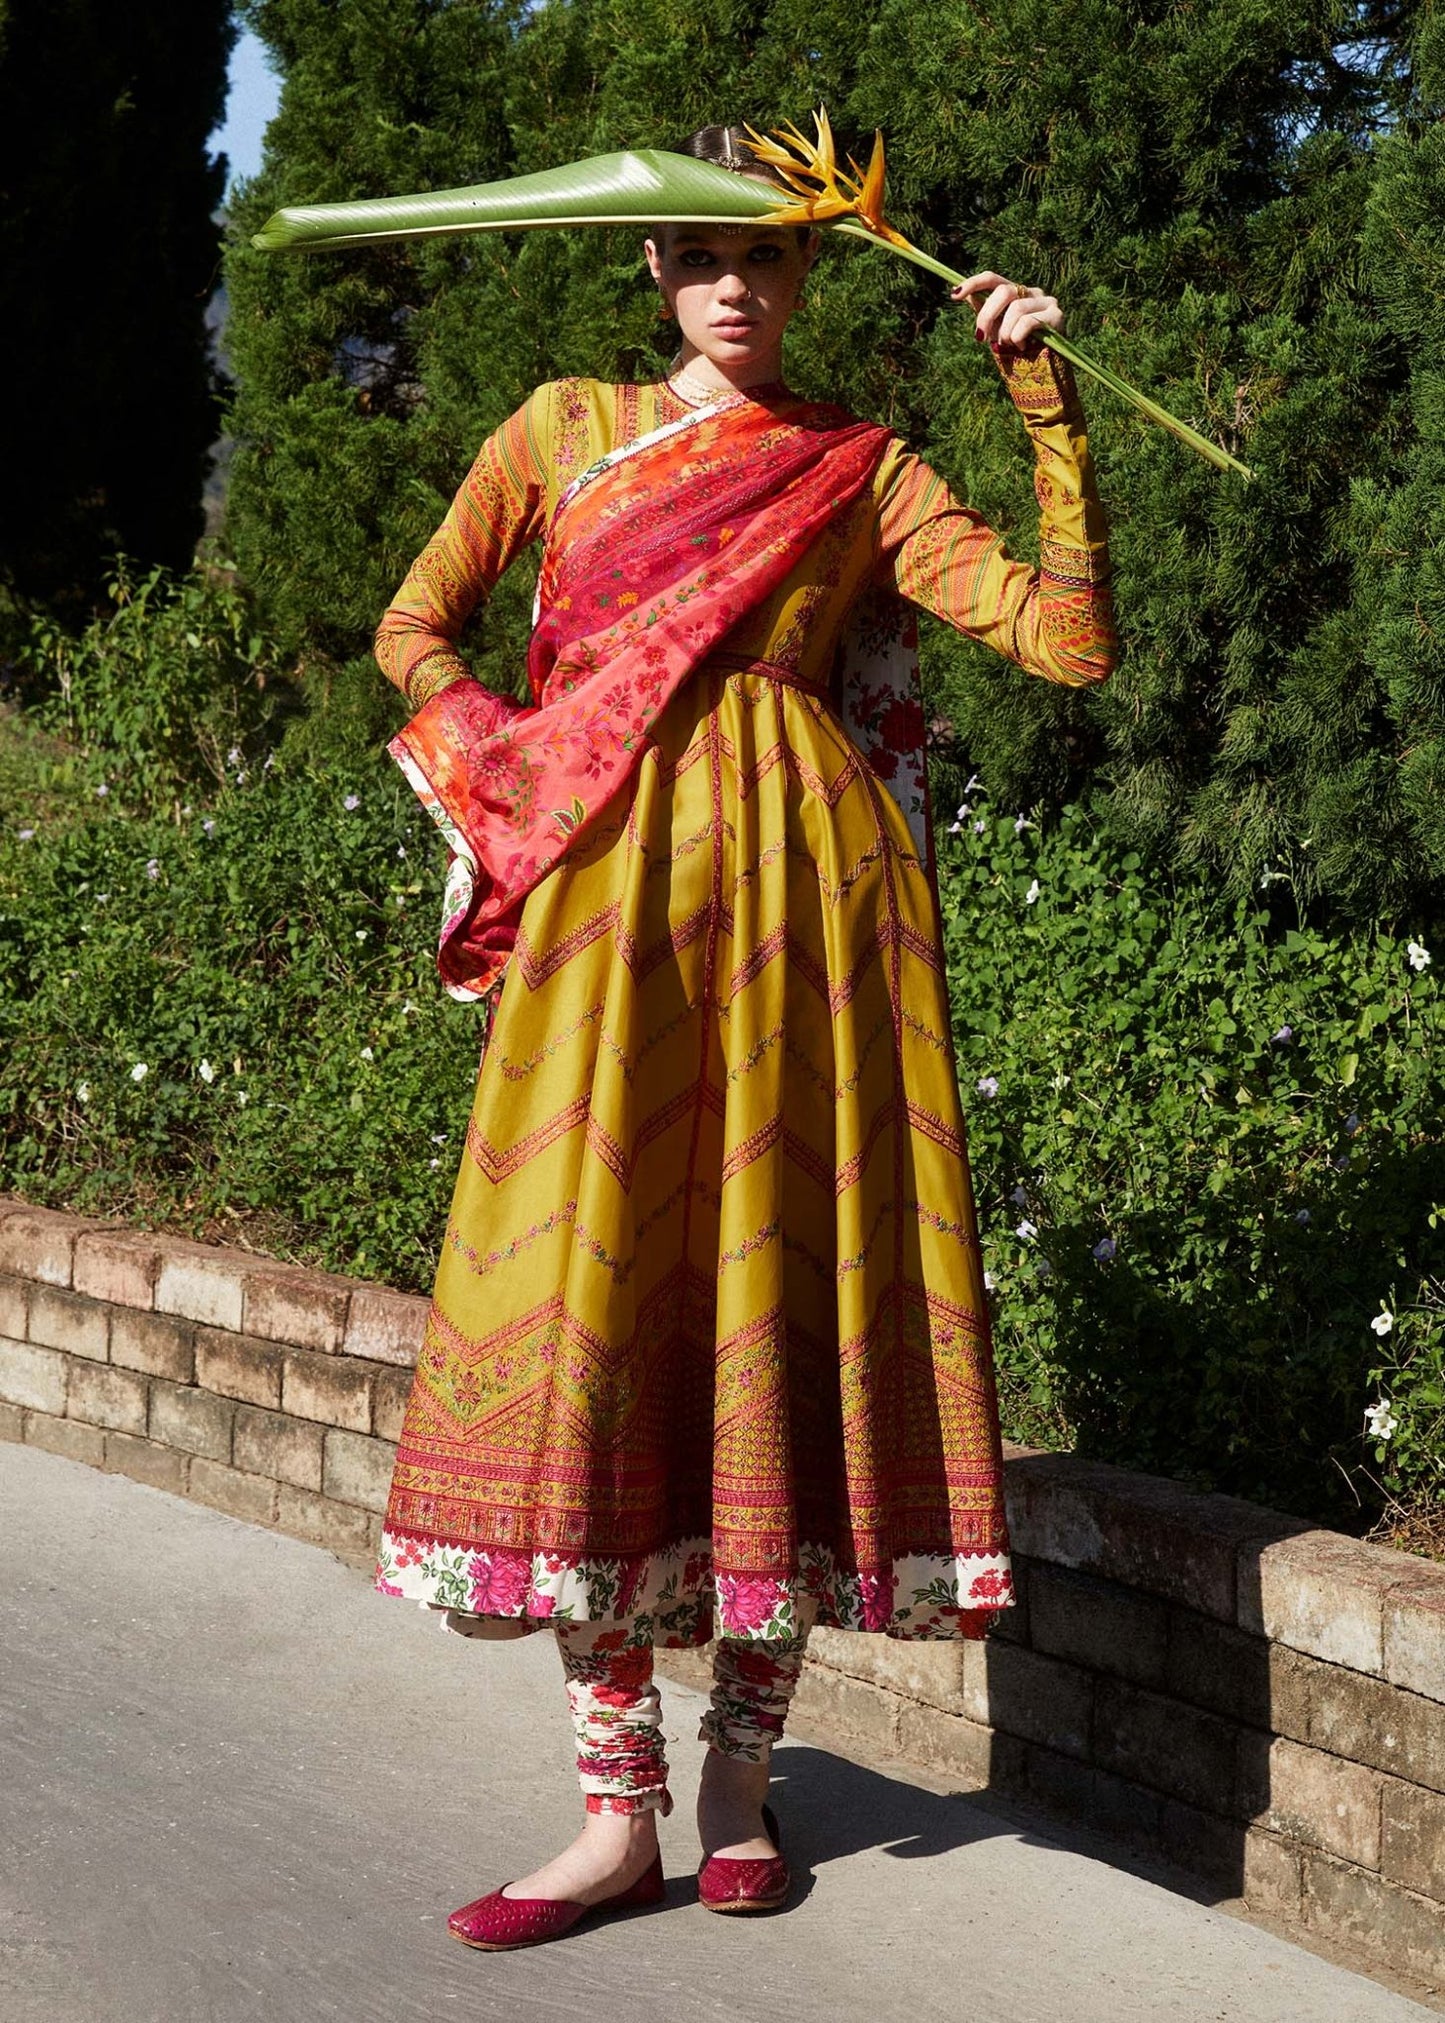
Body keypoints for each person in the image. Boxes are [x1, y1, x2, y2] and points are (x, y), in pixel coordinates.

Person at [371, 123, 1116, 1951]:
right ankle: (611, 1810)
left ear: (808, 276)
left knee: (775, 1322)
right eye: (701, 255)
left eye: (768, 261)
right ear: (651, 269)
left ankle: (739, 1780)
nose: (734, 286)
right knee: (589, 1323)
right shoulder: (558, 431)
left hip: (811, 931)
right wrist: (519, 764)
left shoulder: (856, 472)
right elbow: (412, 626)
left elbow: (1061, 645)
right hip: (609, 926)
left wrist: (1048, 422)